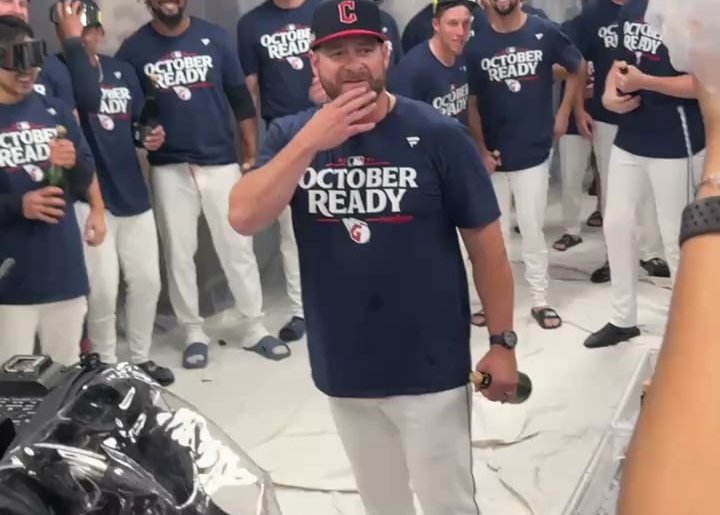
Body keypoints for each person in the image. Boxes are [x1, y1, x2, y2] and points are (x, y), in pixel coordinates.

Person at [228, 2, 520, 514]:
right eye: (336, 52)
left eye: (365, 49)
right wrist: (312, 140)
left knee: (447, 502)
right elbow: (243, 216)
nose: (353, 63)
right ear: (313, 62)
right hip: (345, 365)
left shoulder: (437, 134)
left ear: (386, 54)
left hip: (429, 364)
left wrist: (502, 343)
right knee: (381, 504)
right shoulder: (291, 136)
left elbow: (488, 249)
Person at [115, 0, 281, 368]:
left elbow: (240, 101)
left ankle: (255, 326)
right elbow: (132, 117)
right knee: (178, 254)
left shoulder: (215, 38)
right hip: (169, 168)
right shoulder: (134, 50)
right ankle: (193, 332)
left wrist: (252, 155)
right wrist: (143, 137)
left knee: (237, 247)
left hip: (221, 161)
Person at [584, 0, 705, 348]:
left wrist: (646, 81)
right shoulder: (631, 8)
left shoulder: (692, 11)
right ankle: (623, 319)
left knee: (675, 238)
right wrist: (609, 93)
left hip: (676, 137)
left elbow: (702, 83)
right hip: (632, 132)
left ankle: (689, 326)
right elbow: (619, 66)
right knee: (617, 224)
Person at [466, 0, 584, 329]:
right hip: (492, 158)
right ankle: (492, 303)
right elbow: (472, 100)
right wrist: (480, 147)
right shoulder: (475, 42)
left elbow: (578, 66)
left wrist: (563, 114)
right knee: (495, 239)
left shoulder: (543, 31)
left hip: (532, 150)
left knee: (532, 230)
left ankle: (540, 299)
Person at [70, 21, 174, 385]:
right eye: (78, 31)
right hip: (88, 199)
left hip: (133, 191)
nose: (87, 37)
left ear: (100, 32)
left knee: (147, 280)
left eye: (92, 30)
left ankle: (141, 359)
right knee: (102, 289)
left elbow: (135, 127)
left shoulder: (121, 71)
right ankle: (106, 363)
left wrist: (149, 137)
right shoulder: (59, 71)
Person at [0, 15, 96, 366]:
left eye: (33, 60)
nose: (27, 72)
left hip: (63, 273)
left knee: (66, 378)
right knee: (11, 390)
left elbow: (85, 179)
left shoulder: (55, 110)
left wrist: (71, 164)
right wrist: (17, 205)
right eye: (15, 63)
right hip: (9, 284)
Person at [566, 0, 669, 284]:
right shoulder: (593, 14)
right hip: (607, 114)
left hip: (651, 111)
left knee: (649, 188)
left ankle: (650, 252)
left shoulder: (652, 7)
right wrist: (579, 108)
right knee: (613, 189)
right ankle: (616, 257)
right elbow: (576, 62)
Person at [387, 0, 473, 126]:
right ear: (436, 24)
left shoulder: (462, 54)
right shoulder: (412, 70)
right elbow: (401, 124)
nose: (460, 32)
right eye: (452, 24)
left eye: (466, 23)